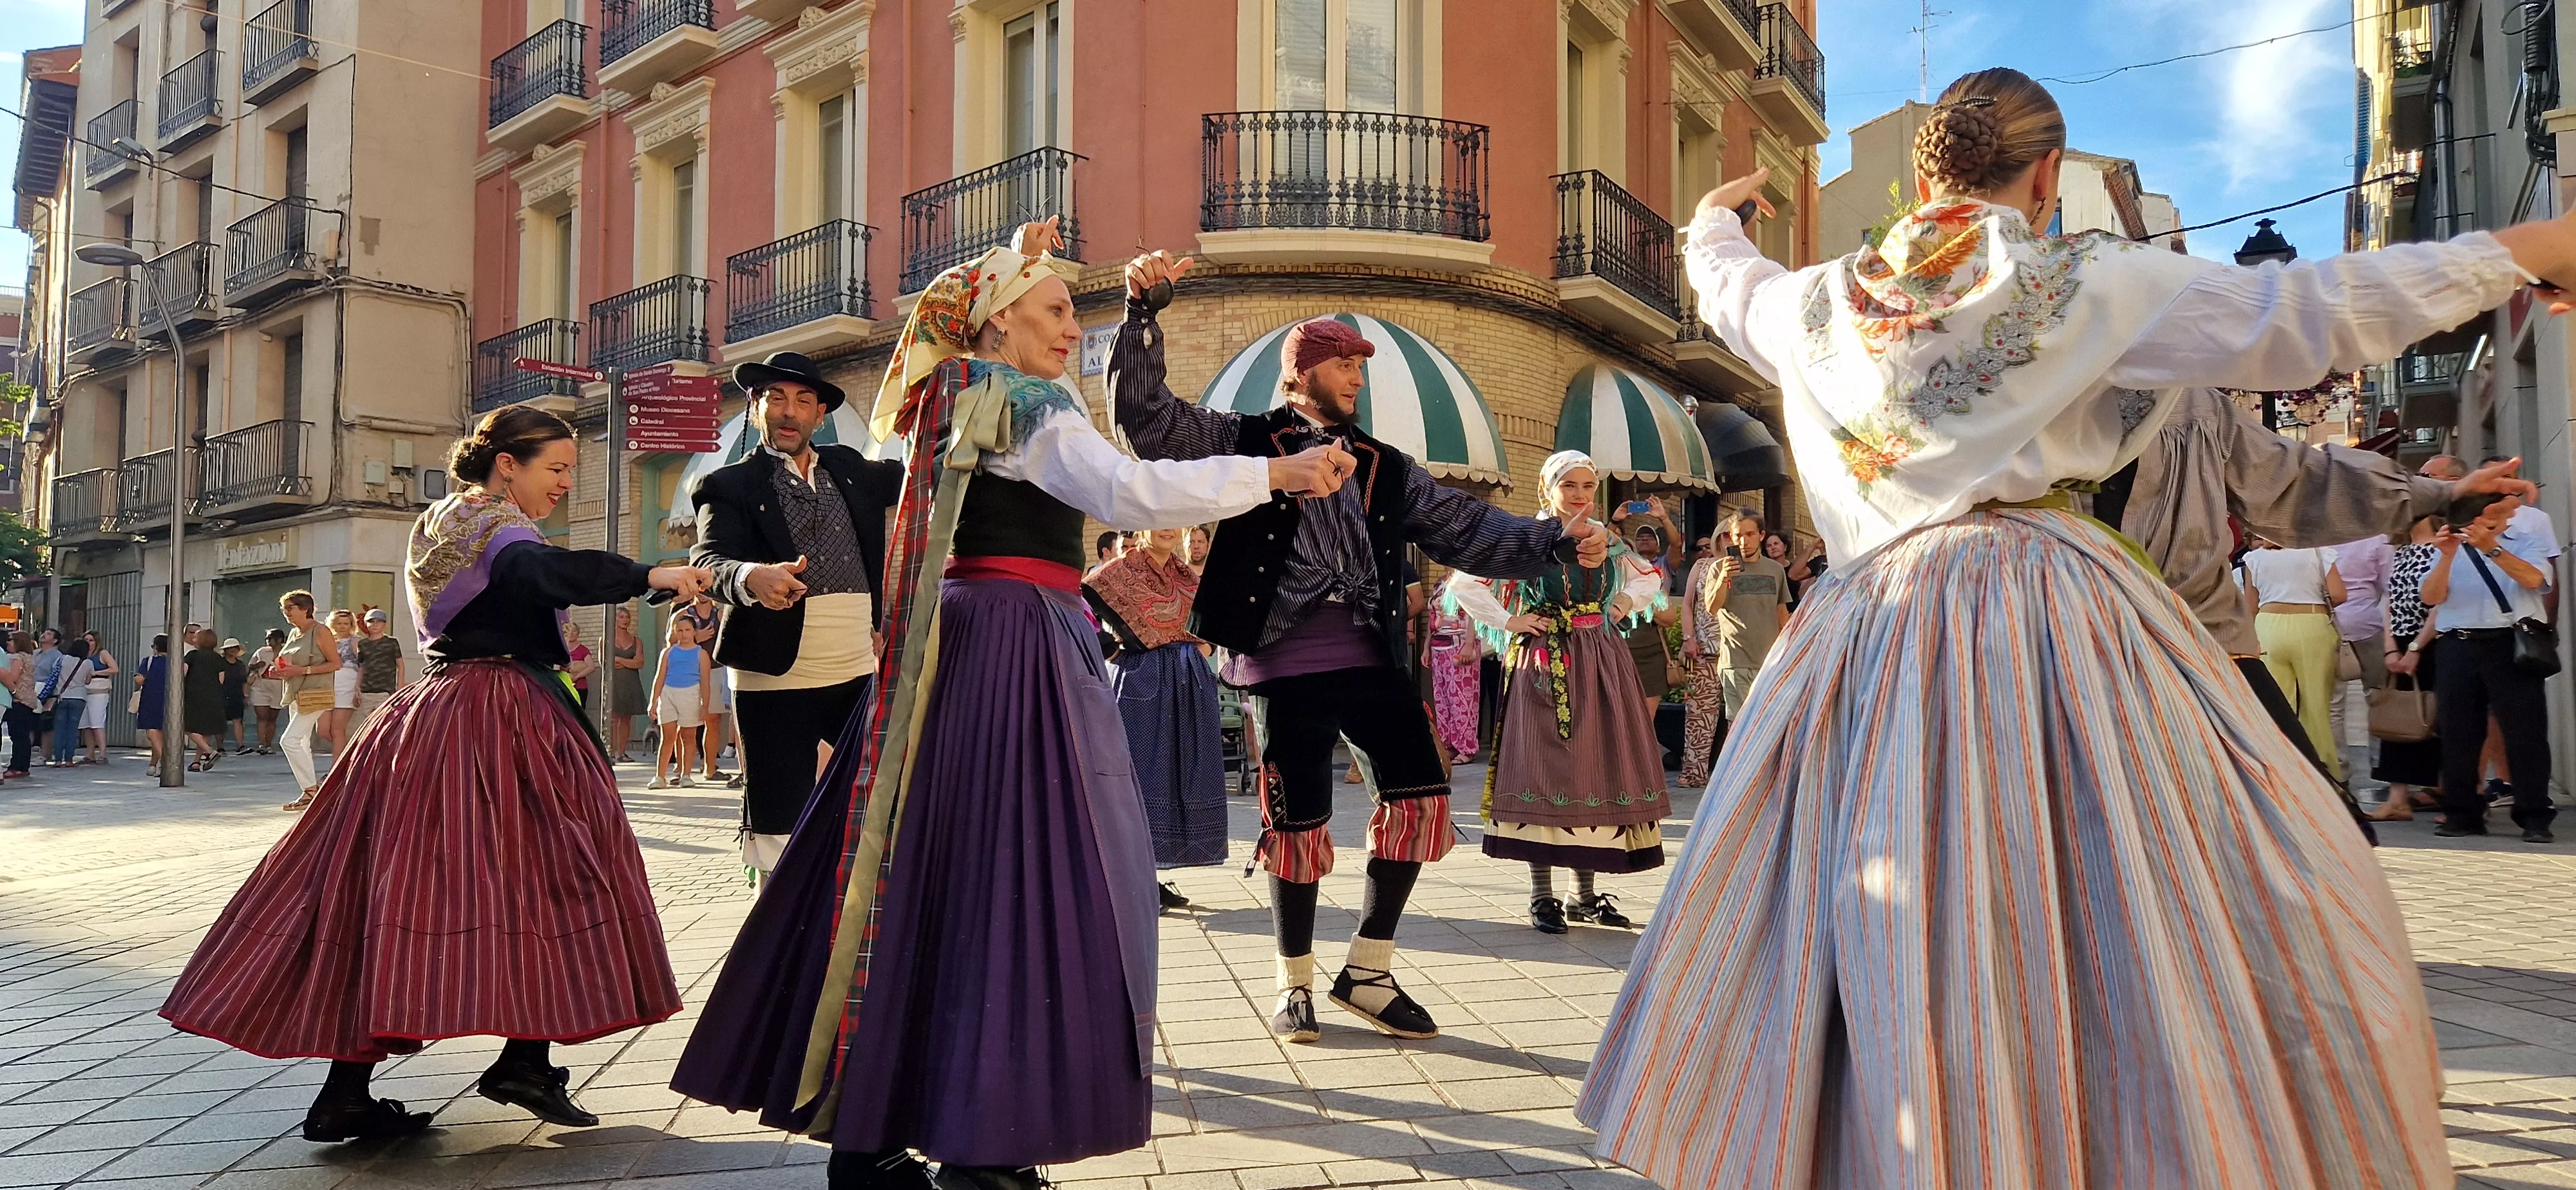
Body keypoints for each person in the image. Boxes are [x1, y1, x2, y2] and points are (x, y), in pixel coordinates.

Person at [1577, 67, 2576, 1187]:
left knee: (1894, 917)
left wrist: (1715, 215)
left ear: (1922, 170)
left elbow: (1725, 278)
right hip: (2046, 614)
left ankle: (1923, 1137)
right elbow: (2309, 313)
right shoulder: (2078, 277)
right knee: (2160, 902)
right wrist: (2529, 246)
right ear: (2047, 176)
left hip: (1864, 632)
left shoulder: (1811, 303)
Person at [674, 221, 1354, 1190]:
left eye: (1073, 309)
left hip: (954, 642)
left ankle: (874, 1130)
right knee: (1030, 873)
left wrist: (1010, 256)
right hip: (1020, 635)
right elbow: (1125, 489)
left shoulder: (950, 398)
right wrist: (1274, 474)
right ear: (996, 326)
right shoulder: (1021, 400)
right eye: (1053, 309)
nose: (1070, 326)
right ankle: (984, 1141)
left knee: (925, 870)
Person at [161, 403, 708, 1144]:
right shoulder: (493, 523)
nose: (563, 483)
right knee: (553, 871)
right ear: (506, 464)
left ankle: (362, 1089)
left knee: (390, 889)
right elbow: (539, 572)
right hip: (498, 716)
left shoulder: (447, 518)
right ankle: (519, 1060)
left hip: (437, 716)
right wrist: (650, 572)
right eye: (555, 468)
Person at [1112, 251, 1610, 1048]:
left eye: (1358, 367)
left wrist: (1557, 537)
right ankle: (1294, 981)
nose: (1356, 377)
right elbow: (1149, 422)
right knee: (1297, 820)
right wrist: (1143, 315)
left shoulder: (1383, 465)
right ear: (1301, 372)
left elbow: (1470, 529)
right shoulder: (1245, 440)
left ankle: (1367, 972)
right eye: (1342, 364)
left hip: (1369, 659)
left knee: (1419, 798)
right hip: (1279, 663)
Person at [2094, 384, 2497, 838]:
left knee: (2296, 839)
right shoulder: (2006, 383)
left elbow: (2295, 480)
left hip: (2197, 646)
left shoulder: (2187, 405)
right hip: (2047, 650)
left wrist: (2443, 496)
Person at [688, 350, 902, 876]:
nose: (790, 412)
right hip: (772, 673)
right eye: (776, 400)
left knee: (875, 806)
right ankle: (777, 938)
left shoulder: (852, 469)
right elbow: (707, 561)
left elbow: (929, 470)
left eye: (803, 402)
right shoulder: (729, 484)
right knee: (778, 825)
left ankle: (857, 930)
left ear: (819, 416)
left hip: (854, 668)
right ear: (756, 408)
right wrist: (751, 578)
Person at [1444, 451, 1667, 934]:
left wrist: (1625, 600)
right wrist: (1510, 621)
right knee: (1547, 768)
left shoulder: (1607, 540)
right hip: (1545, 662)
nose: (1581, 495)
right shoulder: (1528, 538)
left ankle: (1582, 896)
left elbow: (1649, 578)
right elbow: (1464, 582)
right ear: (1548, 490)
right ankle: (1540, 896)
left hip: (1602, 660)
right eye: (1570, 486)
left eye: (1588, 486)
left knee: (1592, 770)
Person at [1086, 525, 1229, 895]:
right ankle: (1131, 880)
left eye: (1173, 519)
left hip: (1190, 687)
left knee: (1179, 778)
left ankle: (1152, 879)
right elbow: (1082, 607)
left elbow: (1214, 625)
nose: (1166, 527)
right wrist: (1113, 651)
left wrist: (1206, 650)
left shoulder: (1185, 575)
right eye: (1157, 517)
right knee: (1140, 780)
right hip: (1142, 684)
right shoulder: (1117, 571)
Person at [2418, 502, 2558, 841]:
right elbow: (2430, 596)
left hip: (2510, 642)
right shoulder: (2451, 545)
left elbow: (2535, 579)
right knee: (2458, 733)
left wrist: (2491, 548)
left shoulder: (2526, 539)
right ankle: (2462, 813)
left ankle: (2534, 816)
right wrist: (2448, 557)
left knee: (2525, 733)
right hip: (2457, 642)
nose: (2500, 516)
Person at [1678, 511, 1790, 783]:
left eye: (1751, 534)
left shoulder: (1775, 570)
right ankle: (1739, 780)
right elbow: (1712, 607)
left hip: (1771, 661)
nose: (1744, 541)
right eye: (1738, 535)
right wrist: (1724, 577)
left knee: (1768, 722)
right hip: (1735, 660)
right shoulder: (1719, 568)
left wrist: (1789, 651)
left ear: (1762, 536)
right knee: (1740, 725)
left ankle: (1765, 778)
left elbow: (1781, 612)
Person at [2237, 538, 2349, 782]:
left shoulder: (2254, 558)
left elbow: (2250, 606)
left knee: (2277, 705)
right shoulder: (2320, 552)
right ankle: (2326, 776)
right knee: (2317, 706)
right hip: (2311, 624)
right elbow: (2339, 595)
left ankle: (2282, 773)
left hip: (2268, 627)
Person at [2368, 513, 2448, 820]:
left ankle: (2448, 791)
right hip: (2400, 643)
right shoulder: (2401, 553)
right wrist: (2390, 647)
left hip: (2432, 643)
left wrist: (2417, 647)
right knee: (2398, 717)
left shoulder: (2441, 551)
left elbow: (2441, 606)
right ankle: (2398, 797)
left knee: (2434, 719)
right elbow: (2390, 602)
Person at [272, 593, 340, 811]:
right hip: (295, 692)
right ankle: (310, 793)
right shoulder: (294, 633)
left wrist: (303, 670)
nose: (287, 613)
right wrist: (281, 671)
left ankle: (311, 790)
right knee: (301, 743)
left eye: (290, 608)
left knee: (289, 740)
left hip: (316, 693)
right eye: (284, 609)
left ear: (305, 608)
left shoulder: (320, 631)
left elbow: (335, 664)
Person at [1421, 585, 1483, 766]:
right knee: (1443, 700)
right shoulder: (1439, 584)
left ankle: (1467, 747)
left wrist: (1470, 643)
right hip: (1439, 646)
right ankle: (1448, 743)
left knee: (1462, 699)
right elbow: (1433, 618)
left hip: (1460, 645)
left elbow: (1476, 612)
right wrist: (1426, 647)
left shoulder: (1468, 579)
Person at [649, 614, 706, 789]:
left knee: (688, 737)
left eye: (688, 630)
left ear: (694, 631)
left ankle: (686, 775)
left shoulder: (701, 654)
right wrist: (654, 701)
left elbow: (705, 681)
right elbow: (660, 677)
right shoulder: (668, 652)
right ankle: (660, 776)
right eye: (680, 630)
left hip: (691, 694)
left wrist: (705, 704)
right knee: (668, 737)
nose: (684, 634)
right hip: (669, 694)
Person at [350, 609, 403, 737]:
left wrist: (400, 689)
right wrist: (357, 686)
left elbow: (400, 666)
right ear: (365, 624)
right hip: (366, 692)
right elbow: (362, 666)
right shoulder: (363, 644)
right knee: (359, 730)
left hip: (385, 692)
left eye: (379, 622)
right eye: (371, 621)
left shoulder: (392, 642)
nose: (375, 624)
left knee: (383, 728)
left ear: (385, 625)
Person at [182, 628, 227, 771]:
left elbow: (183, 673)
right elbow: (221, 679)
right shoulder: (218, 658)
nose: (193, 640)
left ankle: (210, 751)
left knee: (185, 726)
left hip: (194, 695)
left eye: (196, 637)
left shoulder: (192, 655)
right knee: (205, 730)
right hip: (213, 695)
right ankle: (196, 762)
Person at [44, 639, 91, 769]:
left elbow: (54, 675)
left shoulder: (62, 659)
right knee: (72, 730)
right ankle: (69, 760)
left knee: (60, 729)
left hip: (62, 697)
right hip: (79, 698)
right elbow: (88, 681)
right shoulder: (88, 663)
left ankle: (58, 759)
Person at [609, 605, 646, 761]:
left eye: (627, 617)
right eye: (621, 617)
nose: (625, 620)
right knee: (613, 717)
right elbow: (606, 662)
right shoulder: (607, 639)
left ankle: (622, 753)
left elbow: (639, 662)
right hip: (614, 683)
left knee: (626, 718)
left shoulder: (636, 641)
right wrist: (628, 661)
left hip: (631, 682)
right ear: (614, 619)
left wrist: (620, 660)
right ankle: (610, 751)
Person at [323, 609, 361, 755]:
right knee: (323, 730)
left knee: (337, 730)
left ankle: (336, 770)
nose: (342, 626)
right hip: (327, 684)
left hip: (347, 684)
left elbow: (363, 663)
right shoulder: (327, 641)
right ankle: (350, 753)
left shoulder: (355, 641)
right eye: (339, 623)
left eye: (346, 623)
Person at [134, 634, 173, 777]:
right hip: (169, 700)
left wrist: (138, 678)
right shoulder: (175, 662)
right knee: (160, 734)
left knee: (152, 732)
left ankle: (166, 762)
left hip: (150, 699)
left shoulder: (148, 661)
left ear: (156, 648)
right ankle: (153, 764)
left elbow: (139, 680)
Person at [246, 628, 287, 755]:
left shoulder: (287, 651)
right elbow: (250, 666)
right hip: (261, 685)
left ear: (279, 640)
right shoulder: (262, 651)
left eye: (271, 638)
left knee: (272, 717)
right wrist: (258, 665)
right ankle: (262, 744)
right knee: (262, 716)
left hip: (279, 686)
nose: (268, 641)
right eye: (267, 638)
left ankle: (269, 744)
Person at [1, 633, 35, 777]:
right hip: (27, 699)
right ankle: (22, 765)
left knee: (18, 734)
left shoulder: (17, 658)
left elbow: (12, 678)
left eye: (11, 640)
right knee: (22, 734)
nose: (8, 643)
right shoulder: (29, 658)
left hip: (18, 699)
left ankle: (17, 766)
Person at [562, 621, 594, 710]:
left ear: (578, 633)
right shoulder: (562, 650)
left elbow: (591, 667)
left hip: (580, 687)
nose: (572, 633)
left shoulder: (583, 650)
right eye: (569, 630)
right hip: (564, 687)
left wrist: (577, 676)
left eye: (575, 630)